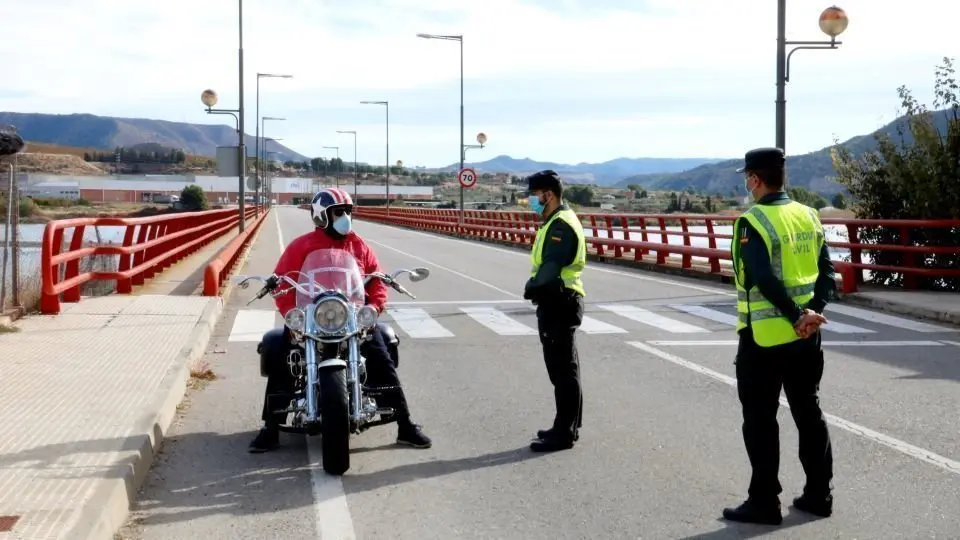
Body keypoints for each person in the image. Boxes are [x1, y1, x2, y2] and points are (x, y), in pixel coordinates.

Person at [249, 187, 432, 452]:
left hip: (353, 319)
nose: (345, 217)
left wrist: (374, 307)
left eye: (347, 211)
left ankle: (405, 424)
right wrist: (291, 314)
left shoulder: (358, 244)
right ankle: (271, 428)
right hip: (313, 319)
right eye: (339, 212)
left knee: (382, 357)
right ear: (322, 215)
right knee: (281, 356)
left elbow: (377, 279)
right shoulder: (301, 245)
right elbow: (282, 283)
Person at [722, 147, 836, 525]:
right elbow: (827, 272)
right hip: (807, 337)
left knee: (760, 419)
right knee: (809, 412)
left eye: (747, 177)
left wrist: (794, 314)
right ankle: (819, 495)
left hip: (765, 338)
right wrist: (812, 313)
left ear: (754, 178)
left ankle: (764, 502)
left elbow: (760, 279)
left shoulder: (753, 221)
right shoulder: (809, 215)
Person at [522, 170, 587, 452]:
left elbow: (551, 266)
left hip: (560, 301)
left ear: (548, 194)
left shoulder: (561, 224)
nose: (532, 201)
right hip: (556, 301)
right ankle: (566, 425)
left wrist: (532, 285)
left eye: (535, 195)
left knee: (563, 369)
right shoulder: (553, 221)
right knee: (562, 368)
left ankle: (565, 431)